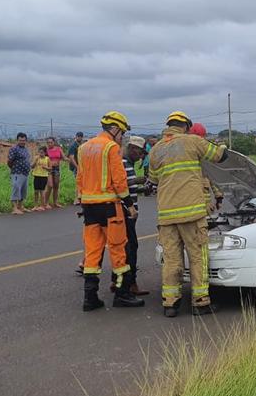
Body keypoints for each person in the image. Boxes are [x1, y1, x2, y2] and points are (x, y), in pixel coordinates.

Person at [148, 111, 228, 317]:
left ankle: (170, 304)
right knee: (197, 256)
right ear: (185, 126)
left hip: (166, 215)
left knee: (171, 260)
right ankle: (200, 302)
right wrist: (223, 146)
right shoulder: (193, 141)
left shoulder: (156, 150)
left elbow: (154, 180)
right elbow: (219, 156)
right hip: (192, 213)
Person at [76, 112, 143, 310]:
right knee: (119, 249)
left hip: (89, 207)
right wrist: (129, 205)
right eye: (122, 133)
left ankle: (90, 298)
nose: (122, 137)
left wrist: (83, 201)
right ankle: (122, 295)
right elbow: (119, 181)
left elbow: (79, 179)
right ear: (114, 129)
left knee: (93, 252)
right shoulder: (111, 147)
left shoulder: (84, 148)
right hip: (109, 207)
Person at [8, 132, 32, 215]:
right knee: (16, 188)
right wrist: (13, 169)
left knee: (23, 190)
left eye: (24, 140)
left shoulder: (26, 149)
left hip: (25, 173)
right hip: (17, 172)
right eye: (20, 140)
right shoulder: (14, 149)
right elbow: (9, 161)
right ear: (17, 140)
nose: (22, 142)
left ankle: (21, 206)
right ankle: (14, 208)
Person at [45, 137, 65, 208]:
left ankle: (55, 202)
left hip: (56, 169)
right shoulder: (46, 151)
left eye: (51, 142)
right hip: (49, 169)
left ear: (54, 142)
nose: (49, 144)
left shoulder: (58, 149)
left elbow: (64, 157)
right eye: (48, 142)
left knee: (56, 186)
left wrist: (69, 160)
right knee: (50, 186)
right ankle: (46, 203)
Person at [32, 146, 53, 210]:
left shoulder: (47, 159)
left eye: (42, 153)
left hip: (44, 176)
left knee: (42, 191)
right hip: (36, 175)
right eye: (40, 152)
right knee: (36, 191)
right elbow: (32, 166)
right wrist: (35, 161)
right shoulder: (36, 158)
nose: (40, 154)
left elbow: (50, 169)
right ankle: (35, 205)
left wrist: (45, 167)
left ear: (45, 153)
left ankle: (42, 205)